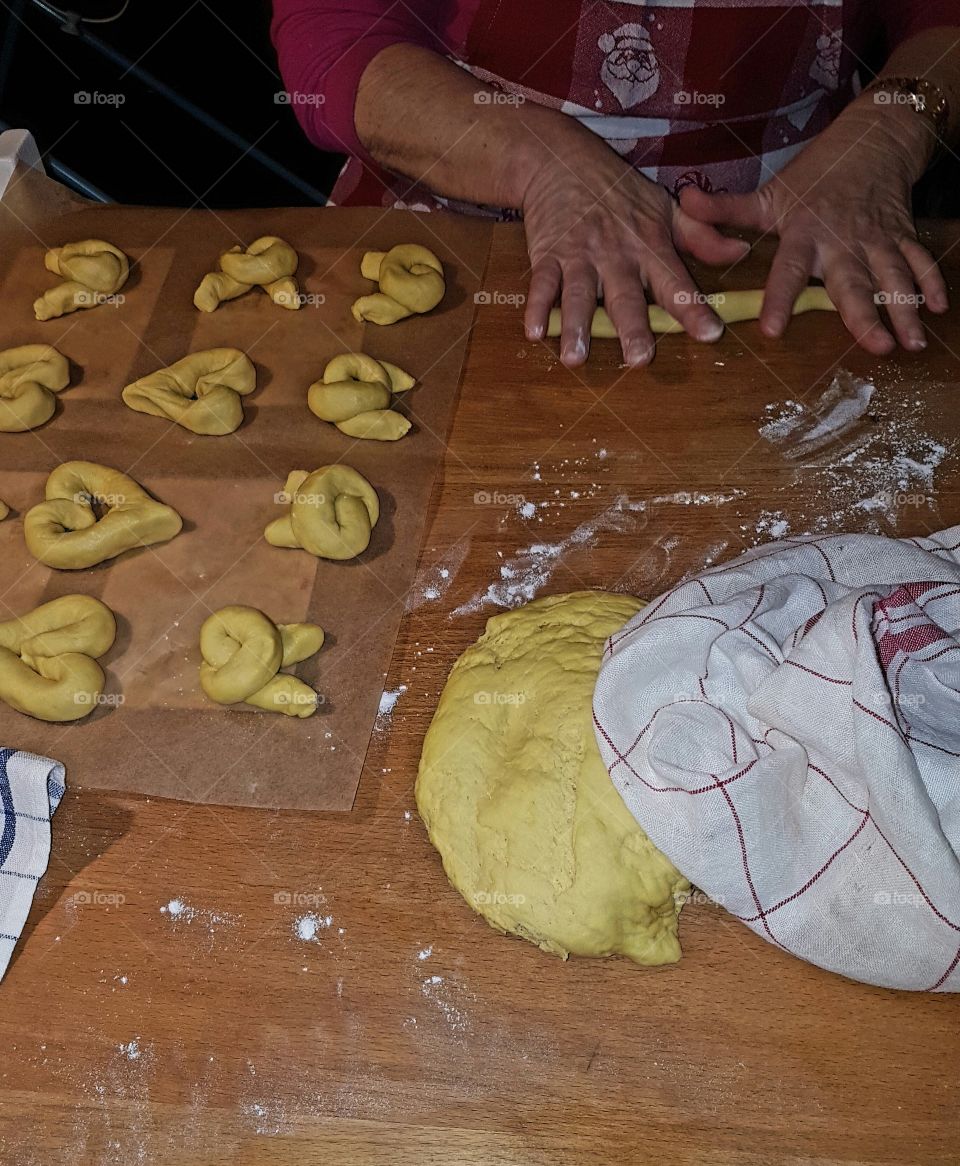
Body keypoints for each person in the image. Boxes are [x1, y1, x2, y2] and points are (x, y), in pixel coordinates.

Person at [271, 2, 960, 367]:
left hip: (800, 236)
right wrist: (541, 165)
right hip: (449, 232)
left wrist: (891, 131)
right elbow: (331, 43)